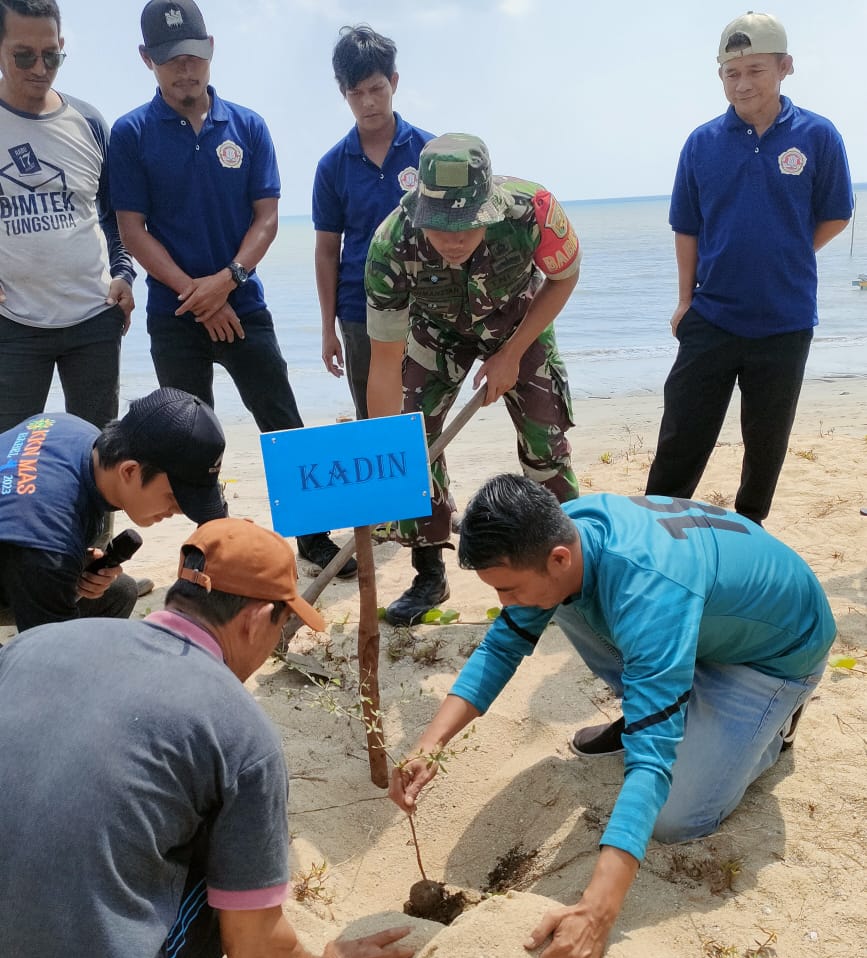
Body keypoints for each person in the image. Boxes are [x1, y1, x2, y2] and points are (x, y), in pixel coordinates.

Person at [0, 517, 413, 958]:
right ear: (255, 619)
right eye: (284, 626)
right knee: (222, 864)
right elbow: (254, 949)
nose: (276, 644)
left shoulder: (35, 647)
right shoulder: (237, 728)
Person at [389, 475, 835, 958]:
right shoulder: (571, 533)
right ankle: (663, 699)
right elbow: (502, 645)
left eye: (507, 588)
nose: (504, 602)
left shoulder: (648, 593)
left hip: (774, 656)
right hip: (700, 624)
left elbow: (650, 763)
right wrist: (431, 743)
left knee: (676, 818)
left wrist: (596, 915)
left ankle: (772, 731)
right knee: (559, 605)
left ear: (557, 556)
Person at [109, 0, 355, 578]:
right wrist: (195, 295)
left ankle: (314, 538)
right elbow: (131, 229)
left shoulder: (247, 126)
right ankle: (213, 546)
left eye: (193, 56)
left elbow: (266, 218)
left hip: (243, 305)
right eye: (171, 61)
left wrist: (226, 282)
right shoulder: (131, 133)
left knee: (282, 420)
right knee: (189, 441)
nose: (185, 70)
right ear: (148, 60)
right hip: (175, 318)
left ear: (211, 49)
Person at [645, 11, 853, 525]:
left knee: (766, 443)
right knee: (682, 436)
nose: (742, 84)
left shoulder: (817, 135)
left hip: (786, 321)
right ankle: (656, 529)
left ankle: (749, 529)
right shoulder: (702, 142)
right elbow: (686, 226)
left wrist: (788, 250)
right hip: (712, 317)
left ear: (784, 67)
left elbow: (837, 214)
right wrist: (685, 300)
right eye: (730, 73)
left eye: (755, 71)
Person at [365, 133, 581, 626]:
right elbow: (382, 365)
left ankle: (564, 569)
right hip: (434, 329)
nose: (455, 239)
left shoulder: (535, 210)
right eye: (441, 227)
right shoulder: (391, 246)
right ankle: (428, 572)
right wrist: (387, 454)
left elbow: (563, 278)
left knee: (545, 440)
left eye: (467, 225)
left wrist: (511, 353)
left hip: (519, 320)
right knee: (411, 438)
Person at [0, 0, 135, 434]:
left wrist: (124, 275)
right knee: (9, 460)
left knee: (98, 455)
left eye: (52, 55)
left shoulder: (90, 121)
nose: (40, 67)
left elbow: (114, 216)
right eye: (24, 55)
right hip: (13, 325)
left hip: (94, 318)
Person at [0, 387, 226, 632]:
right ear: (129, 470)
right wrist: (60, 564)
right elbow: (51, 659)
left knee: (119, 592)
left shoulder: (73, 430)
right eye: (174, 498)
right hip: (34, 549)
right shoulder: (47, 538)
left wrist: (73, 563)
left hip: (26, 553)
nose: (179, 511)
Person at [313, 24, 433, 420]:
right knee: (375, 424)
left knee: (424, 416)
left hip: (425, 306)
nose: (367, 102)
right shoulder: (331, 167)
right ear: (343, 93)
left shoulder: (429, 153)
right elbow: (328, 251)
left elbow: (455, 235)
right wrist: (328, 328)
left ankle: (435, 486)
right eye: (356, 93)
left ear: (394, 82)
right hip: (358, 311)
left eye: (376, 89)